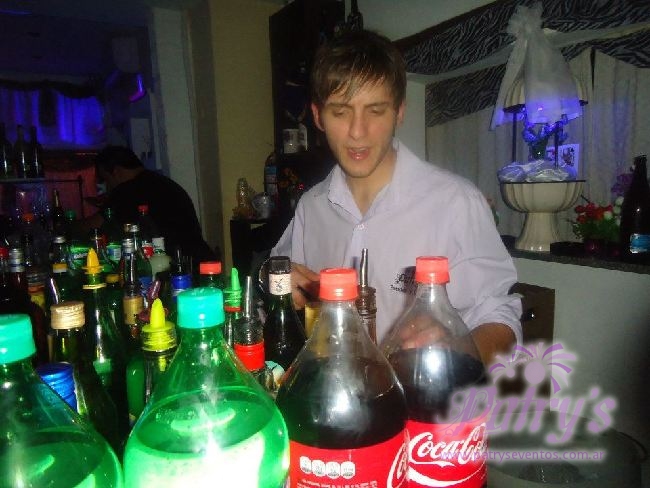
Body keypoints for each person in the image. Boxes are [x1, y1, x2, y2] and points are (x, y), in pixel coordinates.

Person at [271, 30, 522, 365]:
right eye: (341, 112)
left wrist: (458, 350)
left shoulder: (457, 202)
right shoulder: (311, 207)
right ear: (318, 116)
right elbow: (279, 274)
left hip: (422, 394)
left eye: (375, 111)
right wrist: (275, 281)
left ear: (399, 112)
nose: (357, 132)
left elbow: (500, 315)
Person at [84, 145, 216, 264]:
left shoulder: (126, 191)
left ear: (116, 172)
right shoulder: (165, 183)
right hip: (199, 258)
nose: (107, 187)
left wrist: (73, 227)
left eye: (106, 180)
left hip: (173, 266)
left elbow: (95, 225)